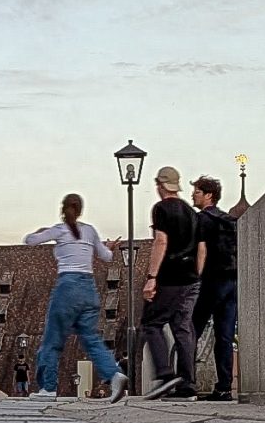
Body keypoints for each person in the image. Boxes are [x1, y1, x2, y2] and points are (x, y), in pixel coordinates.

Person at [25, 193, 126, 402]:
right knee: (90, 338)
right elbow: (106, 257)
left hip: (67, 288)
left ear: (63, 209)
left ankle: (48, 388)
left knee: (53, 339)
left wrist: (40, 232)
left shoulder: (60, 230)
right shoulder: (89, 231)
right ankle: (114, 374)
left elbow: (30, 241)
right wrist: (109, 248)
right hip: (89, 289)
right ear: (80, 210)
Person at [139, 165, 203, 396]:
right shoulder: (192, 213)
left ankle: (165, 374)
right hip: (191, 278)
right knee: (183, 328)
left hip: (170, 276)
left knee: (151, 322)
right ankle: (188, 383)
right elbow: (201, 248)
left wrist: (152, 277)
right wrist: (196, 273)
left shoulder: (161, 209)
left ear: (160, 185)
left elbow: (161, 242)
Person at [191, 176, 240, 400]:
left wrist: (196, 278)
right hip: (232, 282)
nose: (193, 195)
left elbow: (202, 251)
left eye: (197, 192)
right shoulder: (230, 220)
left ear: (209, 195)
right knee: (225, 337)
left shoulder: (202, 219)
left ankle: (185, 382)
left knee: (191, 331)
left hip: (212, 281)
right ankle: (224, 388)